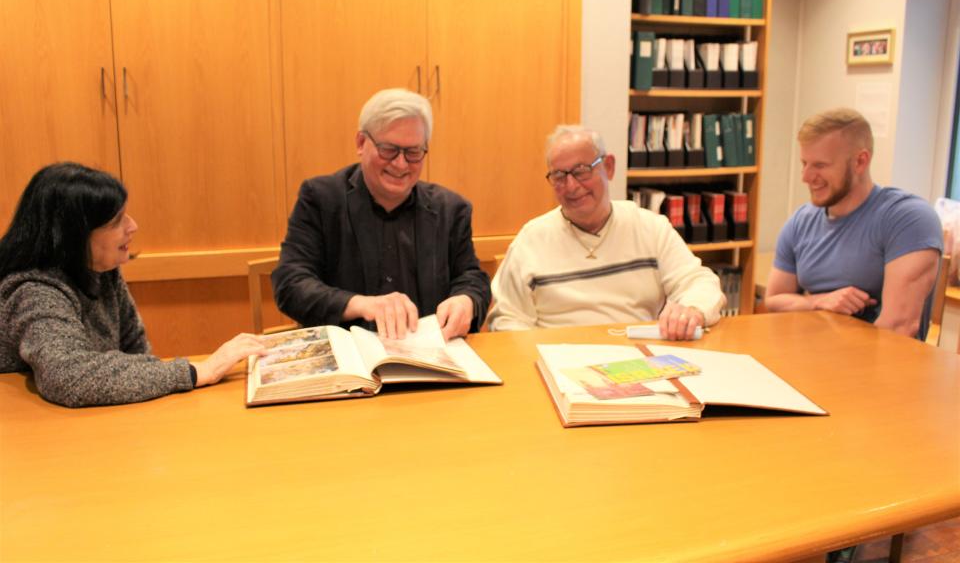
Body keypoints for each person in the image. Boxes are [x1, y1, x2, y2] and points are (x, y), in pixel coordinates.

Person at [0, 163, 268, 408]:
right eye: (116, 221)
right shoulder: (33, 291)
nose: (133, 226)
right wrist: (197, 371)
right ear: (73, 235)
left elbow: (136, 354)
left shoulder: (102, 270)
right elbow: (67, 376)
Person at [271, 88, 491, 341]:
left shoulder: (451, 209)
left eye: (413, 152)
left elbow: (472, 278)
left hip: (430, 360)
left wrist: (466, 301)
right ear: (361, 143)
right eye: (389, 150)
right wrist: (363, 305)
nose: (400, 164)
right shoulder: (320, 199)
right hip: (347, 362)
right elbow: (291, 284)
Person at [486, 125, 725, 340]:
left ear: (608, 167)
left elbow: (699, 282)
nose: (571, 186)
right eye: (559, 176)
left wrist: (692, 310)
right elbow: (507, 318)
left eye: (581, 171)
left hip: (638, 359)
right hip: (559, 361)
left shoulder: (650, 228)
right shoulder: (531, 239)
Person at [765, 108, 943, 339]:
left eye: (820, 165)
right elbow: (774, 300)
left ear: (860, 161)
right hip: (810, 356)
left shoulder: (908, 219)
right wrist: (819, 301)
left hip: (876, 367)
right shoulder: (800, 221)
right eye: (804, 163)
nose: (806, 177)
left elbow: (899, 327)